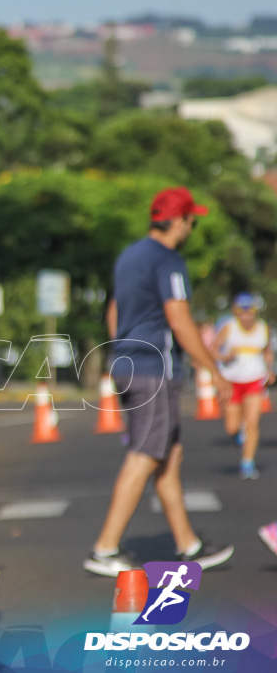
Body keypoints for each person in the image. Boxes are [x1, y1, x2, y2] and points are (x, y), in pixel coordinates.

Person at [84, 187, 234, 577]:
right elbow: (180, 320)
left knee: (168, 456)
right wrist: (214, 372)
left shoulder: (129, 256)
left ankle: (189, 544)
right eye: (192, 221)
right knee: (146, 454)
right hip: (154, 367)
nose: (192, 228)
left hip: (129, 363)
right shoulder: (169, 260)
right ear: (179, 221)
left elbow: (115, 310)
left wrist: (121, 352)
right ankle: (104, 549)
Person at [211, 292, 274, 480]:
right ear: (236, 313)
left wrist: (270, 370)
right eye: (241, 312)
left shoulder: (263, 328)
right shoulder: (228, 328)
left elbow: (267, 351)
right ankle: (237, 435)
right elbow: (213, 351)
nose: (246, 316)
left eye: (249, 312)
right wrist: (225, 357)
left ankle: (247, 463)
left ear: (255, 312)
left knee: (253, 423)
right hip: (231, 381)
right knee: (232, 426)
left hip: (255, 379)